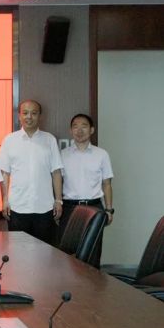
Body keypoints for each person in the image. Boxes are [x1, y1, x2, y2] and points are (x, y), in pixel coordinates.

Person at [0, 100, 63, 245]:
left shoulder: (49, 139)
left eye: (34, 113)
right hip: (17, 207)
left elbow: (56, 172)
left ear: (40, 116)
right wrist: (5, 200)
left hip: (45, 207)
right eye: (25, 113)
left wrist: (58, 200)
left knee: (44, 252)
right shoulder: (9, 140)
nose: (29, 117)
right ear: (19, 115)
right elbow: (5, 174)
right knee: (18, 252)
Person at [60, 113, 114, 264]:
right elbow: (57, 182)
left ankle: (93, 280)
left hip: (94, 207)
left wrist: (109, 209)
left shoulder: (101, 154)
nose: (79, 130)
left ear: (91, 130)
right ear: (71, 130)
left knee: (93, 252)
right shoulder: (63, 155)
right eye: (75, 126)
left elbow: (107, 184)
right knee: (67, 255)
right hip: (69, 208)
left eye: (84, 126)